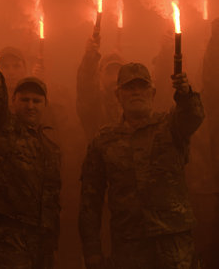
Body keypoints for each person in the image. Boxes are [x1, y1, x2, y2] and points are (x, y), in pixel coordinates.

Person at [79, 63, 204, 268]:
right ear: (118, 95)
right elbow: (90, 201)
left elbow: (193, 116)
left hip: (173, 244)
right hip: (129, 246)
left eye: (142, 87)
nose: (136, 92)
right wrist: (92, 250)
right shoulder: (104, 140)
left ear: (152, 92)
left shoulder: (171, 126)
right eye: (129, 88)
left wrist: (186, 94)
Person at [0, 29, 61, 268]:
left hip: (41, 242)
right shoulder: (2, 128)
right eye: (24, 100)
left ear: (45, 104)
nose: (30, 106)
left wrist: (52, 243)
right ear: (13, 101)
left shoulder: (51, 149)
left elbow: (52, 200)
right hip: (8, 240)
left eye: (36, 101)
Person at [76, 36, 124, 142]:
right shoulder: (94, 104)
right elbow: (85, 88)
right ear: (100, 73)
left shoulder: (130, 104)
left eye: (118, 72)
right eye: (110, 72)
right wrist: (89, 60)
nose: (115, 78)